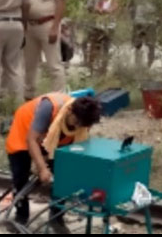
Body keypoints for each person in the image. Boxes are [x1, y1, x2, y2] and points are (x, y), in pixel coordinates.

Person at [6, 94, 101, 232]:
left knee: (63, 176)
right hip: (25, 133)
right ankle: (21, 217)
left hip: (53, 139)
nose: (77, 126)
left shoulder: (85, 119)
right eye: (77, 122)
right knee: (20, 177)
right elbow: (31, 140)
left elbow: (79, 148)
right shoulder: (48, 108)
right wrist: (42, 168)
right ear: (70, 111)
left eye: (82, 125)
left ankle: (56, 218)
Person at [22, 0, 67, 100]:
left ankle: (59, 98)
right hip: (31, 26)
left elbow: (61, 3)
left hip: (48, 25)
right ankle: (28, 96)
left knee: (54, 64)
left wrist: (55, 27)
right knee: (30, 65)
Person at [84, 0, 120, 75]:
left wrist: (102, 10)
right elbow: (90, 8)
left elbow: (114, 8)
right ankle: (90, 69)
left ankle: (103, 69)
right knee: (94, 46)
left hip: (109, 26)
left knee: (106, 48)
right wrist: (98, 10)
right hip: (97, 25)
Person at [130, 0, 158, 68]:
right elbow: (131, 9)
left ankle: (147, 65)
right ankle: (141, 65)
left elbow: (131, 10)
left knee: (149, 45)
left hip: (146, 24)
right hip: (142, 23)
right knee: (145, 44)